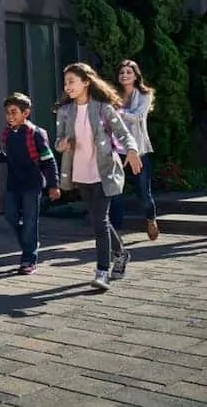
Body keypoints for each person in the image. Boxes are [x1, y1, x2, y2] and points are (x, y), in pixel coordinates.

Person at [54, 62, 142, 291]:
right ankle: (121, 253)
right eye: (65, 83)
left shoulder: (102, 107)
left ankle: (102, 271)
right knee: (98, 220)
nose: (68, 86)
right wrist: (62, 144)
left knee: (100, 222)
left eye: (72, 81)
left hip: (104, 172)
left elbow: (123, 133)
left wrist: (132, 150)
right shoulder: (65, 111)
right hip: (81, 174)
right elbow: (58, 141)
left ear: (86, 82)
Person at [0, 93, 60, 275]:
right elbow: (6, 158)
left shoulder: (35, 134)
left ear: (26, 113)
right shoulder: (8, 134)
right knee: (11, 217)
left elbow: (49, 160)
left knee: (30, 222)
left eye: (14, 112)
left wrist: (54, 185)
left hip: (33, 185)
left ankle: (28, 259)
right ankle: (29, 243)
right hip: (13, 184)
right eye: (7, 112)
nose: (10, 116)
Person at [108, 59, 159, 241]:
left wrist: (117, 113)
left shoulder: (145, 94)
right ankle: (114, 233)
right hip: (117, 151)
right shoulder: (112, 96)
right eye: (122, 73)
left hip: (138, 150)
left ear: (136, 75)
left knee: (143, 192)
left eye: (129, 72)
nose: (124, 76)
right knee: (115, 193)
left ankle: (151, 219)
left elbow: (137, 117)